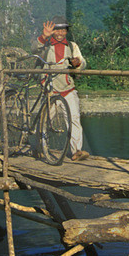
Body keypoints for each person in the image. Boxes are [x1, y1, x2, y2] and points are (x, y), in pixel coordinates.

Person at [36, 18, 88, 160]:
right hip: (50, 88)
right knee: (45, 119)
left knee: (74, 119)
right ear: (52, 31)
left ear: (66, 31)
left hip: (67, 88)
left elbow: (82, 61)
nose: (60, 33)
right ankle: (41, 147)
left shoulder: (71, 46)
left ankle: (77, 150)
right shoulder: (46, 45)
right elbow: (34, 49)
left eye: (63, 30)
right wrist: (44, 36)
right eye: (57, 29)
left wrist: (78, 63)